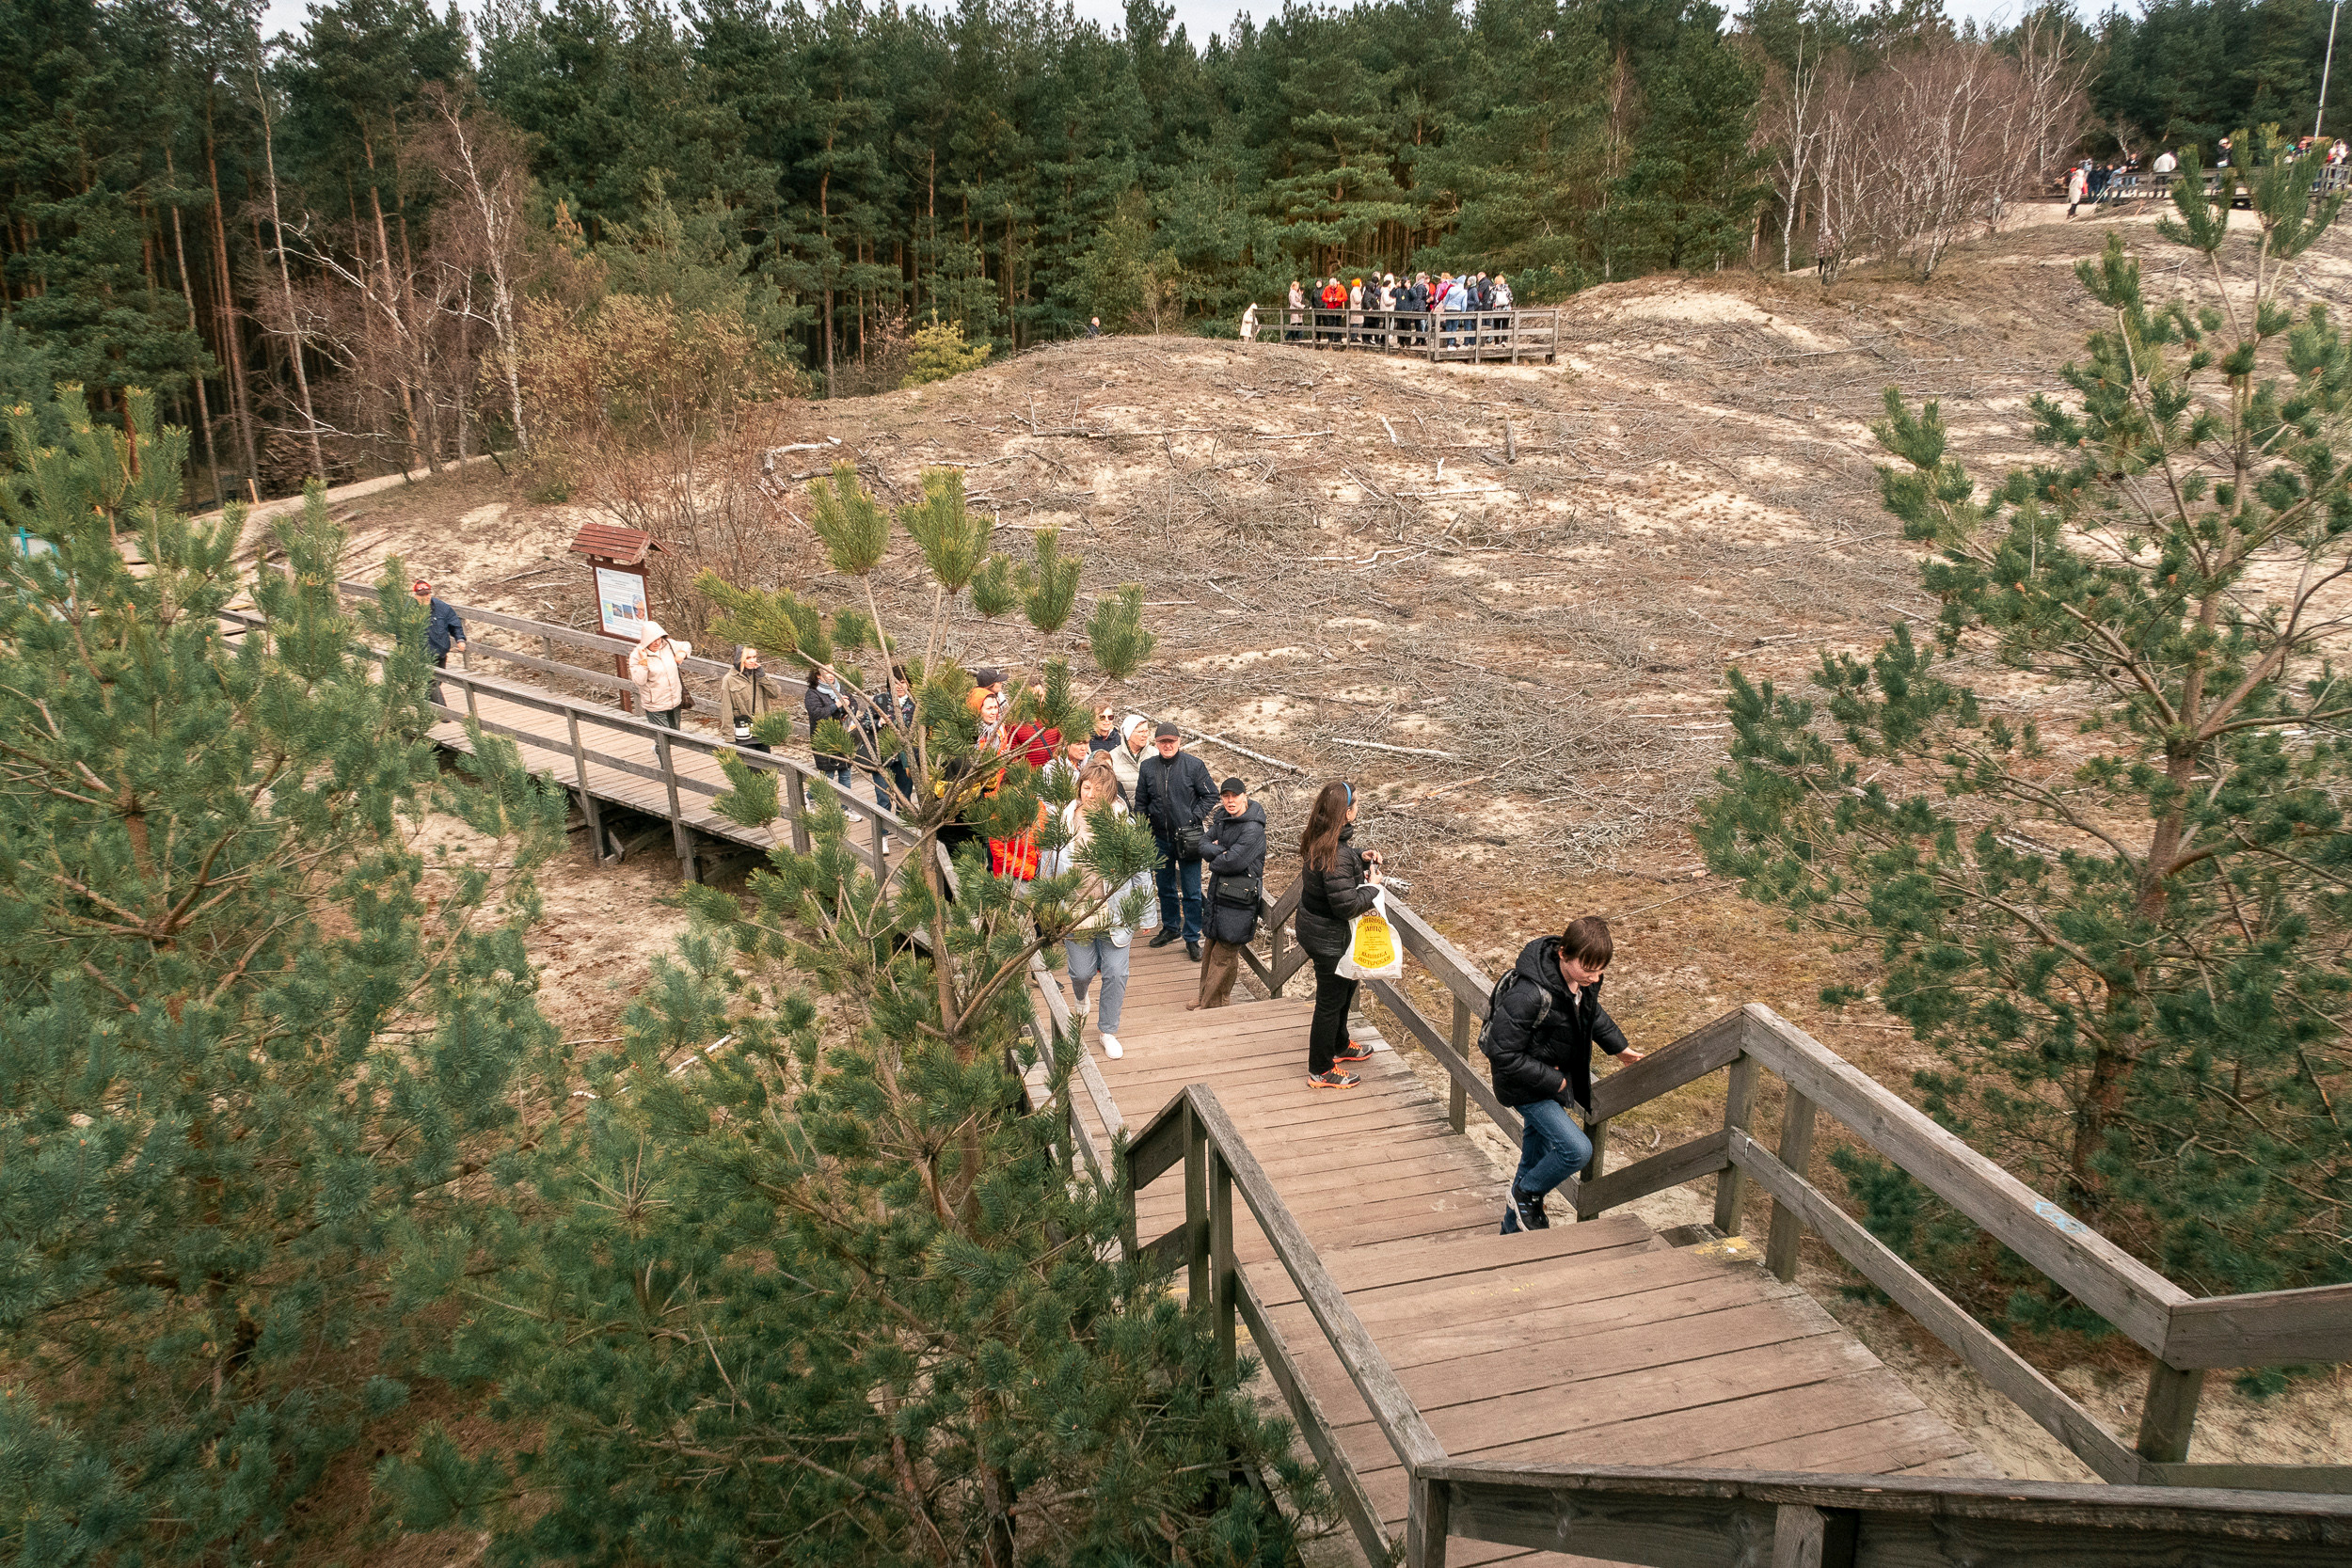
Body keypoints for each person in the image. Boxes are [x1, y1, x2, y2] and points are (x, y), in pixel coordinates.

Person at [1482, 914, 1645, 1234]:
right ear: (1562, 953)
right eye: (1589, 969)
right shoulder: (1530, 994)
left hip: (1548, 1082)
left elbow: (1592, 1014)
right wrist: (1556, 1081)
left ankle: (1510, 1235)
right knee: (1577, 1150)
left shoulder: (1579, 981)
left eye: (1601, 970)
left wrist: (1619, 1048)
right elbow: (1502, 1053)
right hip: (1526, 1087)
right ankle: (1525, 1193)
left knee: (1532, 1163)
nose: (1595, 978)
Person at [1045, 759, 1138, 1058]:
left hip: (1115, 910)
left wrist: (1146, 911)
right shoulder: (1064, 820)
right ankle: (1081, 997)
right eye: (1086, 787)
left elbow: (1140, 868)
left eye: (1098, 790)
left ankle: (1107, 1030)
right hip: (1075, 910)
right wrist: (1048, 906)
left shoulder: (1123, 822)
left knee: (1115, 973)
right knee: (1081, 972)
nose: (1091, 794)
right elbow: (1048, 866)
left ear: (1109, 793)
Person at [1292, 781, 1380, 1088]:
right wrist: (1374, 886)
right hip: (1329, 939)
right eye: (1356, 805)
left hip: (1319, 931)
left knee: (1345, 988)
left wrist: (1359, 855)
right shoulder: (1335, 854)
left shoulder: (1322, 840)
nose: (1358, 810)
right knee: (1330, 1002)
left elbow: (1339, 862)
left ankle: (1340, 1045)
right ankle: (1320, 1069)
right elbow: (1346, 906)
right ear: (1347, 813)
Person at [1135, 719, 1217, 958]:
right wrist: (1143, 830)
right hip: (1159, 838)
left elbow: (1210, 795)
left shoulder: (1194, 765)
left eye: (1171, 741)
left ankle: (1192, 937)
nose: (1167, 745)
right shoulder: (1148, 767)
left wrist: (1194, 816)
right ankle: (1171, 928)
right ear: (1156, 743)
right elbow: (1141, 803)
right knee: (1165, 887)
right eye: (1162, 742)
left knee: (1192, 891)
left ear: (1179, 742)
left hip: (1190, 838)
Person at [1192, 776, 1265, 1010]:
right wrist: (1221, 852)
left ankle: (1212, 1004)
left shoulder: (1253, 828)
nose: (1230, 800)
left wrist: (1217, 859)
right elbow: (1202, 844)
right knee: (1211, 946)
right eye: (1226, 796)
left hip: (1239, 898)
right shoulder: (1222, 819)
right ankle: (1207, 997)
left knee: (1225, 953)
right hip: (1218, 894)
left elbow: (1234, 861)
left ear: (1245, 796)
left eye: (1235, 795)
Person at [804, 664, 863, 818]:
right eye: (826, 672)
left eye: (833, 671)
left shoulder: (840, 688)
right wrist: (836, 705)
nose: (831, 675)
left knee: (845, 773)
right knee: (828, 774)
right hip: (824, 739)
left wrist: (848, 713)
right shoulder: (812, 694)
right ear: (817, 675)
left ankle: (846, 808)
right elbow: (817, 714)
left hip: (844, 737)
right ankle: (810, 797)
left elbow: (854, 703)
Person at [721, 645, 786, 752]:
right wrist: (729, 738)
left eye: (754, 657)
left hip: (762, 731)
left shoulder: (759, 675)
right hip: (743, 734)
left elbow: (775, 693)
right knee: (749, 768)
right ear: (740, 659)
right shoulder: (729, 679)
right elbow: (726, 710)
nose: (752, 661)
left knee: (766, 767)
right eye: (748, 658)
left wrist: (763, 677)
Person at [628, 622, 691, 729]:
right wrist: (644, 661)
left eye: (659, 639)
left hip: (674, 700)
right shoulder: (636, 655)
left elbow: (687, 645)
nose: (657, 643)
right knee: (662, 739)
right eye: (653, 640)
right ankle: (659, 746)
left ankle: (658, 746)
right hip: (655, 704)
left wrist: (682, 653)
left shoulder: (668, 645)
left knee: (675, 735)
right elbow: (639, 681)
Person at [412, 579, 464, 705]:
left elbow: (454, 624)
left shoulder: (442, 607)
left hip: (440, 651)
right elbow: (400, 631)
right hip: (421, 653)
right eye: (422, 594)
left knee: (437, 681)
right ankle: (444, 712)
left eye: (427, 593)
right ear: (415, 596)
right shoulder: (409, 610)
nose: (425, 597)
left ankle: (426, 704)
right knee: (432, 681)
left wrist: (460, 639)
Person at [1108, 712, 1152, 802]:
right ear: (1128, 734)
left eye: (1146, 731)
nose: (1145, 735)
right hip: (1123, 813)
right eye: (1140, 732)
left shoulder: (1155, 754)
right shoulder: (1113, 757)